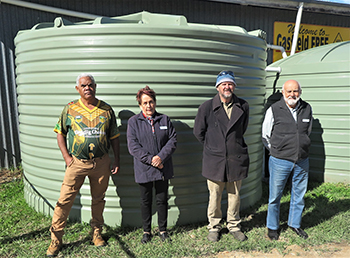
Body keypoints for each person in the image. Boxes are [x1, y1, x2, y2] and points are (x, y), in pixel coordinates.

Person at [47, 73, 120, 257]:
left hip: (101, 163)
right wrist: (66, 157)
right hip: (77, 163)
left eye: (90, 84)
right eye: (83, 85)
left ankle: (96, 234)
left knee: (98, 199)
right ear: (77, 89)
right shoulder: (70, 109)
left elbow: (114, 137)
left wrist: (116, 159)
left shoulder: (106, 109)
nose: (88, 88)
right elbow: (60, 133)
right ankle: (56, 240)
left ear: (95, 86)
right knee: (64, 201)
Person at [193, 70, 250, 242]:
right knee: (215, 196)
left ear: (234, 86)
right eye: (223, 84)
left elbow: (242, 130)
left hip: (236, 158)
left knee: (234, 196)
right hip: (215, 160)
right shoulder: (206, 107)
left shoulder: (243, 106)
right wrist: (214, 146)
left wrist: (232, 146)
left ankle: (233, 225)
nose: (227, 86)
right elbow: (198, 132)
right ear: (217, 87)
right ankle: (214, 227)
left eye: (230, 83)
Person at [262, 79, 313, 241]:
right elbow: (265, 135)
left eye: (295, 91)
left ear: (300, 92)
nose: (292, 94)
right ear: (283, 92)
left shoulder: (307, 108)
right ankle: (272, 227)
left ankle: (294, 223)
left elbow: (307, 132)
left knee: (299, 194)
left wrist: (300, 146)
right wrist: (277, 150)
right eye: (289, 91)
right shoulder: (274, 109)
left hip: (301, 160)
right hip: (279, 160)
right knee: (275, 196)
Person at [127, 86, 177, 244]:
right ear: (140, 105)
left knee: (162, 200)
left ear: (155, 103)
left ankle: (163, 231)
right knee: (146, 201)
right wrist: (151, 160)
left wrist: (160, 157)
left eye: (151, 102)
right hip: (144, 169)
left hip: (163, 167)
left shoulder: (164, 119)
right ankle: (146, 231)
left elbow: (172, 140)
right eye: (145, 103)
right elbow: (133, 147)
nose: (148, 106)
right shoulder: (133, 122)